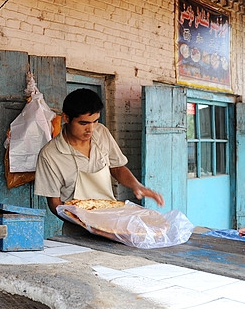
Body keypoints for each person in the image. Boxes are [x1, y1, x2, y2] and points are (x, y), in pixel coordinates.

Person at [34, 88, 164, 219]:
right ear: (66, 118)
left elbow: (117, 168)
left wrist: (137, 185)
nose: (90, 129)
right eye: (83, 123)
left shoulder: (101, 133)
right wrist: (84, 223)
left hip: (110, 219)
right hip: (77, 228)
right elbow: (54, 203)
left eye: (95, 121)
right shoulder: (50, 155)